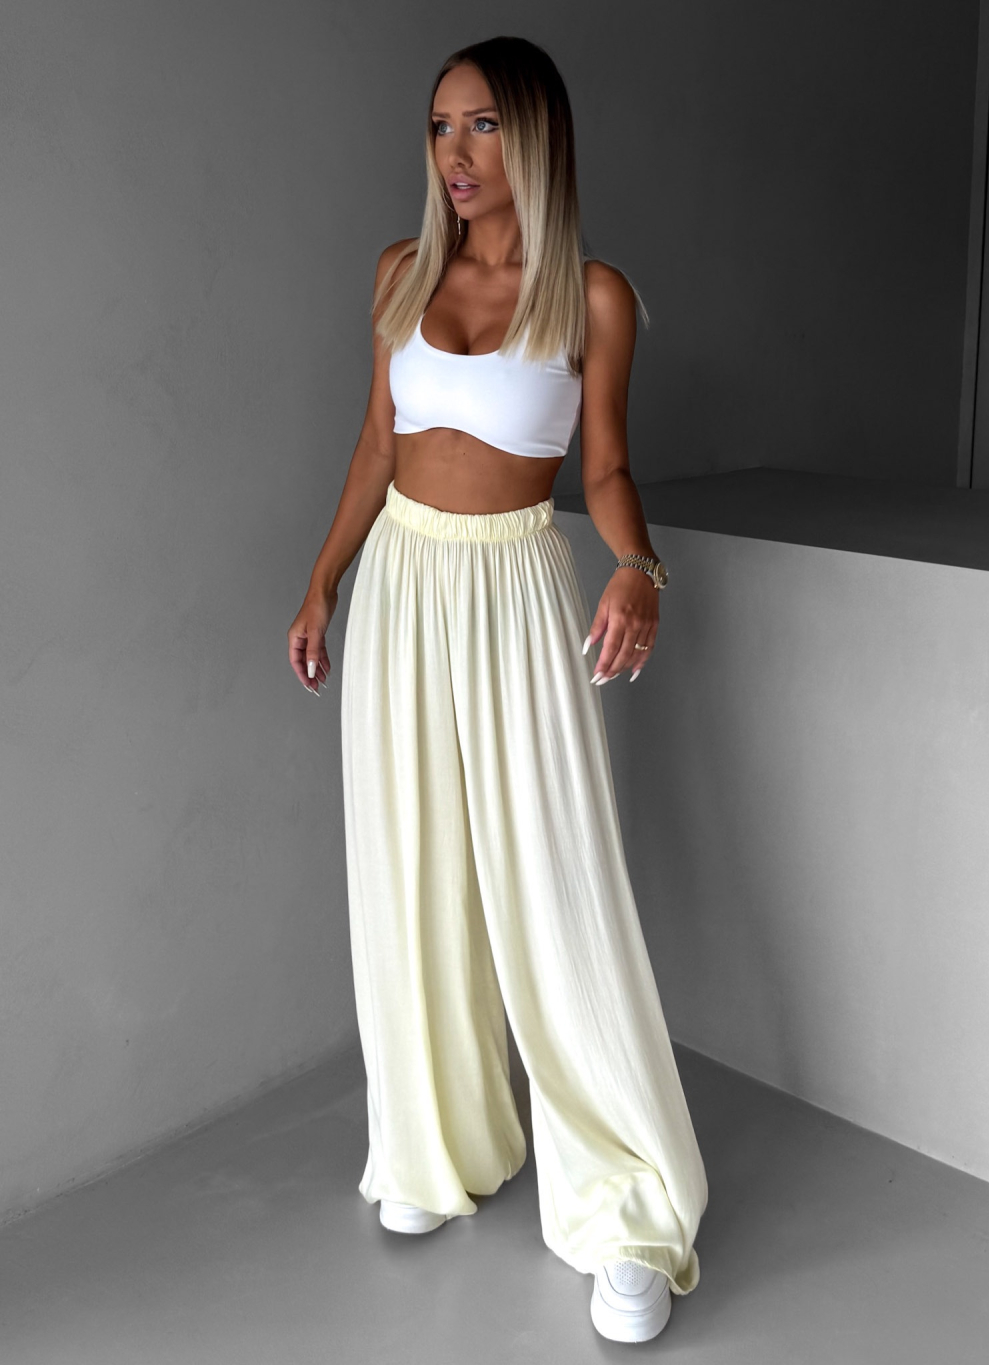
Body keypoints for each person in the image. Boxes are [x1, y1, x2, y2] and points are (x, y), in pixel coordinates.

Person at [286, 35, 708, 1345]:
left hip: (517, 588)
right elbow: (376, 445)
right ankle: (438, 1142)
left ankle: (626, 1205)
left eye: (479, 126)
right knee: (411, 864)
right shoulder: (398, 275)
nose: (453, 154)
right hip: (402, 584)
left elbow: (606, 470)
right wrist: (323, 583)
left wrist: (638, 566)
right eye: (439, 128)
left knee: (551, 876)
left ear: (535, 136)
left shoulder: (593, 298)